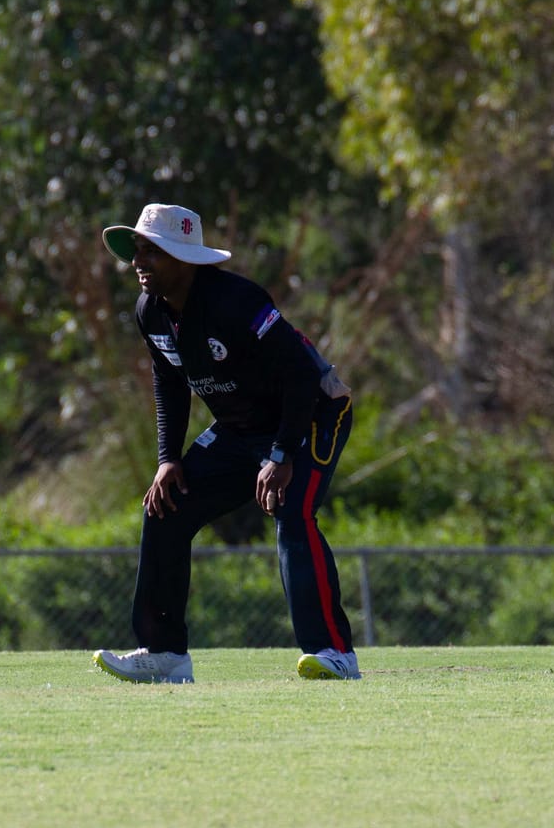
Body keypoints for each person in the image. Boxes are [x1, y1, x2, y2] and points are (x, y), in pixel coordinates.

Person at [92, 203, 361, 683]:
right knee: (165, 508)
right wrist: (167, 459)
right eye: (137, 251)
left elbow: (300, 375)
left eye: (150, 252)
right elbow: (169, 382)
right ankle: (165, 655)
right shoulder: (149, 310)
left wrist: (281, 454)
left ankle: (334, 653)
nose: (138, 261)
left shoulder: (236, 300)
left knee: (292, 513)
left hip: (312, 413)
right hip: (240, 428)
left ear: (182, 258)